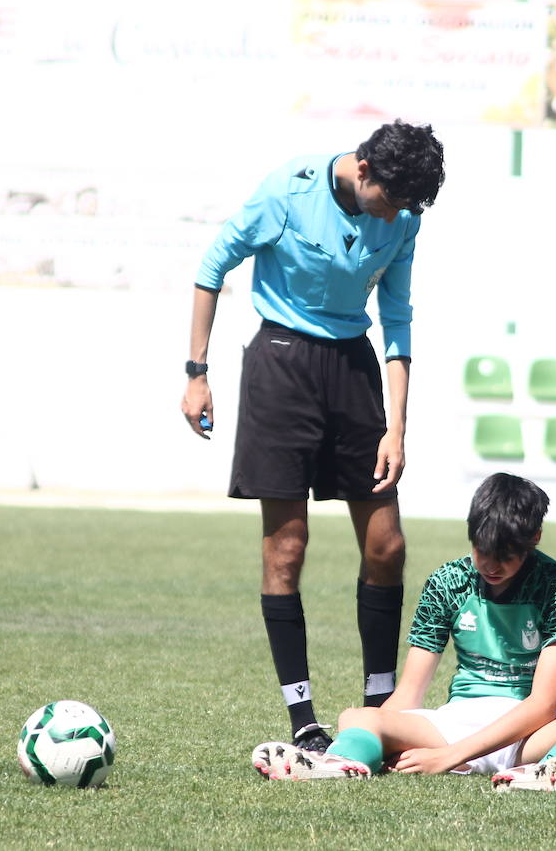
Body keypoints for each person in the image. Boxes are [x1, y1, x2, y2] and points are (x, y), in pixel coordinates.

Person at [182, 120, 446, 752]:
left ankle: (380, 707)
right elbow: (212, 266)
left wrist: (398, 427)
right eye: (396, 199)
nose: (402, 214)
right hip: (281, 363)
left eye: (413, 205)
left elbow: (399, 318)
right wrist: (197, 373)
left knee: (387, 545)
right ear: (364, 171)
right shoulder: (287, 191)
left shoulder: (404, 217)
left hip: (353, 368)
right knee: (287, 549)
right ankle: (303, 720)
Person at [250, 473, 556, 792]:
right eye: (482, 551)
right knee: (358, 717)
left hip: (532, 734)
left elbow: (542, 705)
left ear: (535, 537)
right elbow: (410, 692)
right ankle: (337, 764)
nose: (491, 565)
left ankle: (552, 770)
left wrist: (451, 756)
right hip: (457, 722)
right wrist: (379, 730)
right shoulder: (448, 582)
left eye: (506, 554)